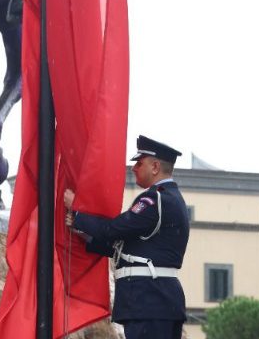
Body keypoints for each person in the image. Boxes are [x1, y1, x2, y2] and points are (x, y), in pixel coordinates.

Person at [63, 136, 190, 339]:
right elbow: (125, 247)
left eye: (139, 163)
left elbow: (114, 229)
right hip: (156, 301)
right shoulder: (169, 198)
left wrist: (78, 213)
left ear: (155, 166)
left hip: (149, 300)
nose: (134, 168)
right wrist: (84, 233)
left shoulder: (154, 199)